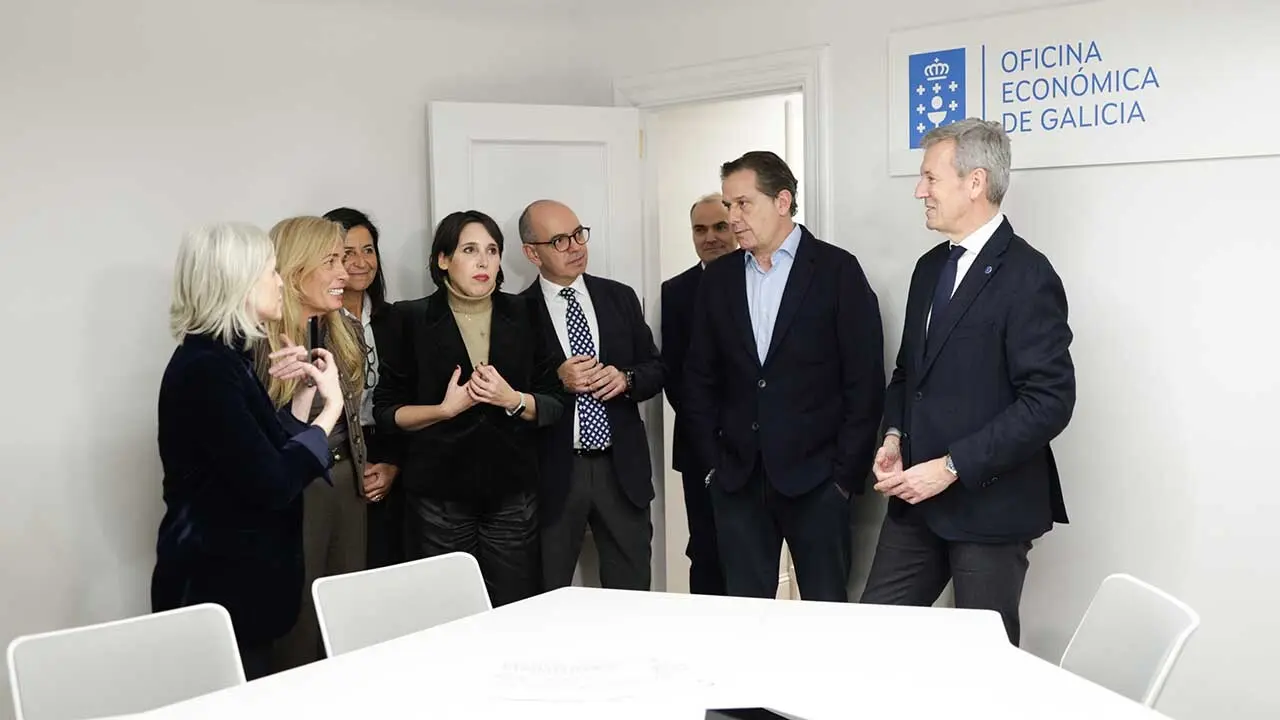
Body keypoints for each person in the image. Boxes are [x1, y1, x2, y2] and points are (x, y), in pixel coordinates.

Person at [860, 119, 1075, 646]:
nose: (920, 191)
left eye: (930, 178)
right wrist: (893, 436)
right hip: (916, 505)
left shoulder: (1029, 275)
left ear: (974, 182)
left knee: (984, 672)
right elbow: (909, 374)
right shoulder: (928, 269)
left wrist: (952, 467)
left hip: (990, 510)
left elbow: (1049, 401)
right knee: (867, 639)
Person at [683, 151, 884, 602]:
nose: (732, 217)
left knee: (825, 613)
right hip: (737, 480)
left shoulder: (837, 272)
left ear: (782, 201)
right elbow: (698, 379)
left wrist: (842, 478)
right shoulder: (719, 280)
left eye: (742, 204)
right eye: (728, 205)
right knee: (744, 618)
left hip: (818, 482)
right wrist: (714, 466)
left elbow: (864, 382)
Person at [150, 222, 344, 680]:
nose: (280, 282)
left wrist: (299, 401)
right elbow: (272, 483)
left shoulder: (223, 360)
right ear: (235, 283)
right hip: (217, 591)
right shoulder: (207, 370)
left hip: (238, 588)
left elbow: (254, 453)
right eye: (271, 272)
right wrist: (330, 408)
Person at [375, 210, 566, 606]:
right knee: (445, 612)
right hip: (438, 498)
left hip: (512, 495)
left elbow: (555, 403)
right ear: (443, 259)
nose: (484, 262)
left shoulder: (527, 313)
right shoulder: (407, 318)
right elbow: (386, 411)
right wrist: (443, 410)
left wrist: (512, 400)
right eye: (470, 250)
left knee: (514, 610)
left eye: (492, 251)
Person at [519, 200, 664, 592]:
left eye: (579, 234)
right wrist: (556, 378)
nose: (576, 247)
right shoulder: (517, 312)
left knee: (631, 591)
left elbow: (654, 369)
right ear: (532, 253)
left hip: (621, 470)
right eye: (560, 241)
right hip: (553, 472)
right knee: (545, 593)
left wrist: (626, 379)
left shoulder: (619, 297)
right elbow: (512, 391)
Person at [257, 216, 369, 670]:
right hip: (298, 489)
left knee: (348, 619)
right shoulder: (256, 343)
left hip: (346, 483)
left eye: (343, 259)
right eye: (332, 261)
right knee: (298, 623)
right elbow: (264, 442)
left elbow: (355, 415)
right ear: (295, 268)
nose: (346, 272)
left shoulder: (343, 329)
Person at [661, 193, 737, 595]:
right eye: (700, 229)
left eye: (720, 226)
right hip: (699, 448)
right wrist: (712, 436)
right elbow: (675, 377)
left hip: (758, 445)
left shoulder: (758, 277)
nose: (710, 237)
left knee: (747, 550)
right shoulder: (674, 292)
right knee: (706, 549)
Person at [325, 207, 405, 569]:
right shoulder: (318, 324)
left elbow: (411, 397)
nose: (360, 262)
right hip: (337, 453)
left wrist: (394, 464)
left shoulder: (397, 319)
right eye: (347, 253)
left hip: (390, 448)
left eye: (368, 250)